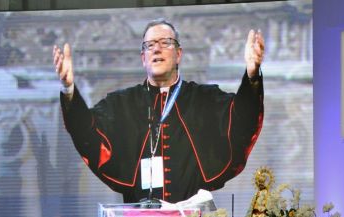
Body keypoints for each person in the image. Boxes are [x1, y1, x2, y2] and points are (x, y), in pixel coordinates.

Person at [53, 18, 264, 203]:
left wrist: (252, 76)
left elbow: (242, 121)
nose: (157, 49)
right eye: (150, 45)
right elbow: (86, 133)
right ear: (143, 58)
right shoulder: (120, 103)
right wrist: (69, 89)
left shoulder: (205, 98)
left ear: (179, 54)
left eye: (166, 43)